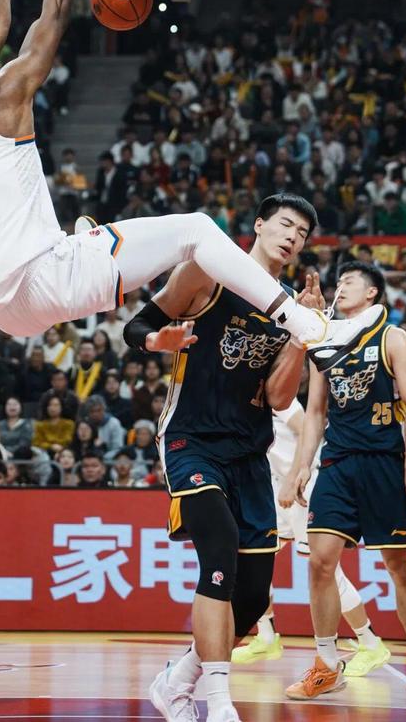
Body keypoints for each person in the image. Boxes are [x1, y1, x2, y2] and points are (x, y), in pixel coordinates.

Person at [0, 0, 382, 377]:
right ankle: (310, 327)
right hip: (43, 279)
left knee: (89, 241)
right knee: (196, 230)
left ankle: (88, 244)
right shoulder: (3, 101)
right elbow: (51, 20)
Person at [125, 194, 324, 722]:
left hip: (249, 452)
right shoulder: (206, 274)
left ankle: (177, 681)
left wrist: (301, 336)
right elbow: (135, 326)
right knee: (219, 552)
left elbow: (279, 398)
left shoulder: (286, 307)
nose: (293, 237)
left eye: (303, 233)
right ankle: (216, 701)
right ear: (258, 225)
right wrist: (157, 341)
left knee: (253, 598)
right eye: (285, 225)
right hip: (191, 440)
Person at [286, 261, 406, 707]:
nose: (341, 288)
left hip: (383, 464)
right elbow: (316, 412)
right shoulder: (325, 341)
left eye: (349, 282)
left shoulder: (393, 338)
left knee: (399, 568)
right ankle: (326, 665)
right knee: (320, 561)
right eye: (339, 282)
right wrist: (301, 466)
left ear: (372, 293)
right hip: (337, 463)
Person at [234, 398, 389, 677]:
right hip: (276, 487)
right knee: (253, 557)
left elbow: (308, 429)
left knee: (327, 572)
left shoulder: (278, 397)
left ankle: (370, 643)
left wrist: (296, 475)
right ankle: (266, 636)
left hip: (303, 488)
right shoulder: (244, 397)